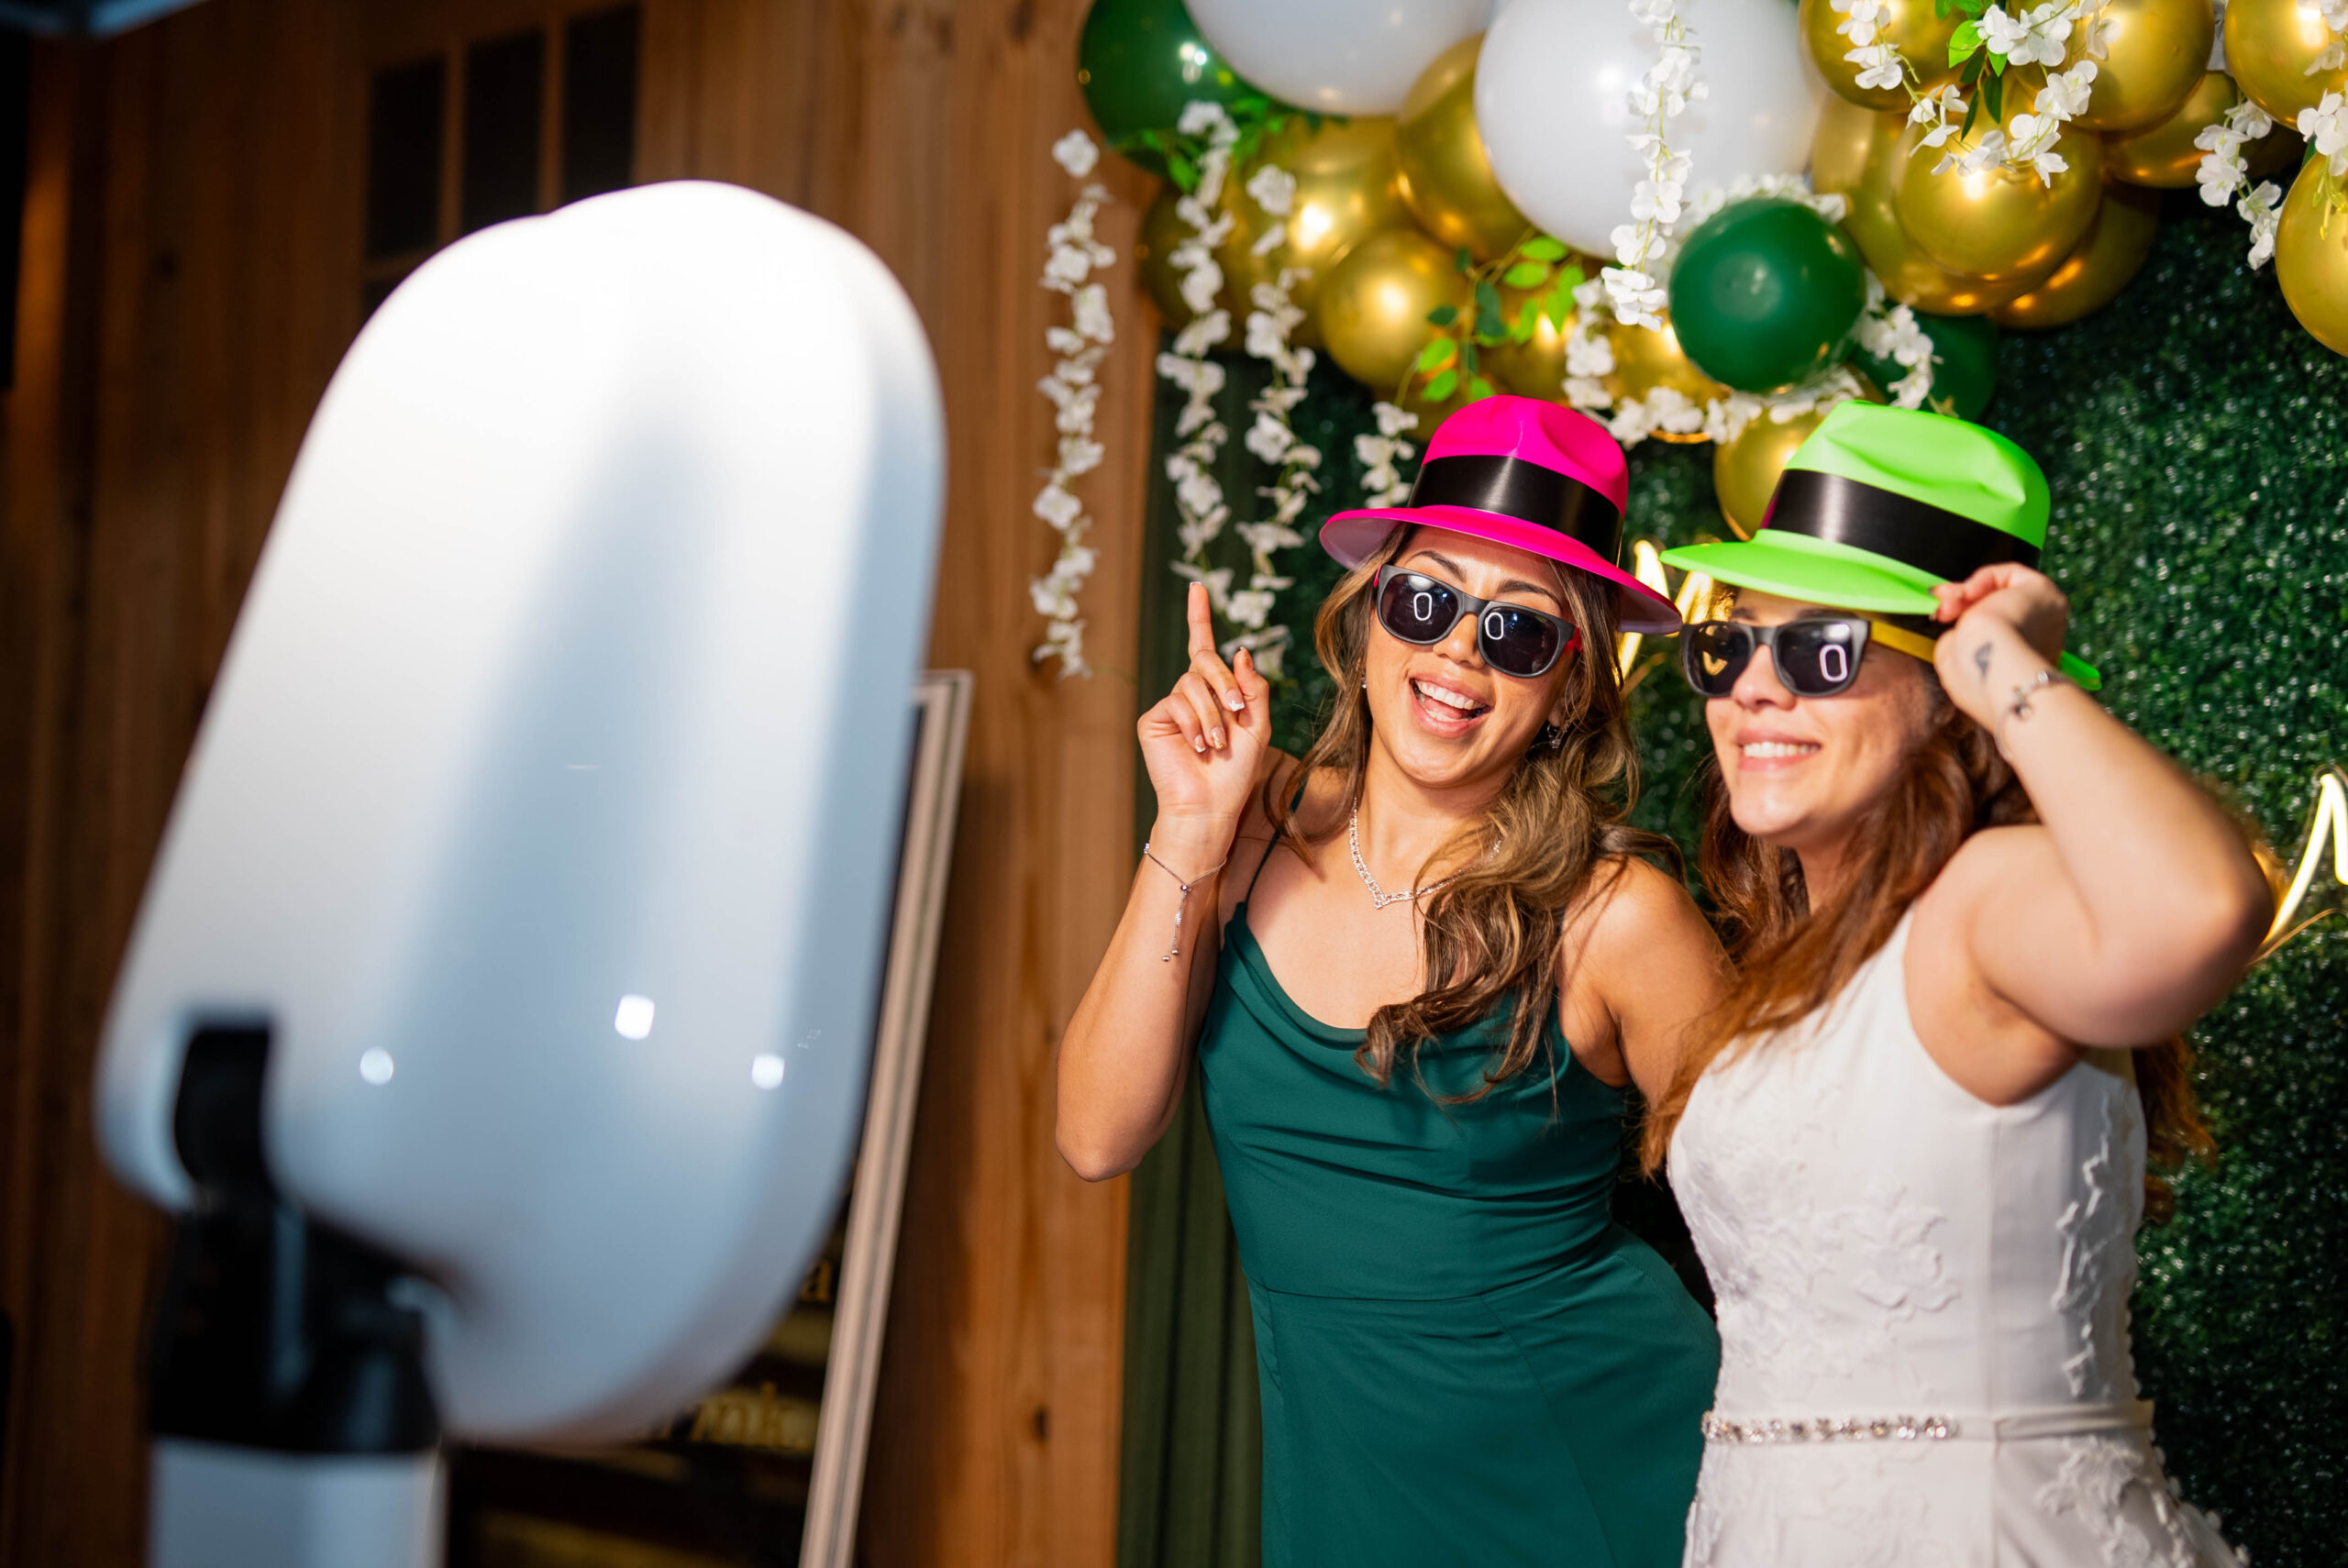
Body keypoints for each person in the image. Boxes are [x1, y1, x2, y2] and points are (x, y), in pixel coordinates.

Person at [1058, 396, 1724, 1567]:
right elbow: (1095, 1133)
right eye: (1426, 602)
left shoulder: (1618, 920)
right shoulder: (1240, 827)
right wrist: (1188, 835)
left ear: (1567, 687)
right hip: (1347, 1491)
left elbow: (1786, 1237)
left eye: (1519, 633)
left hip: (1608, 1479)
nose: (1459, 651)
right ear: (1367, 621)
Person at [1645, 402, 2272, 1566]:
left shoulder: (1981, 902)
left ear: (1943, 696)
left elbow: (2203, 909)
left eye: (1820, 650)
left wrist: (2000, 660)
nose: (1752, 690)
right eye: (1730, 644)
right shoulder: (1791, 961)